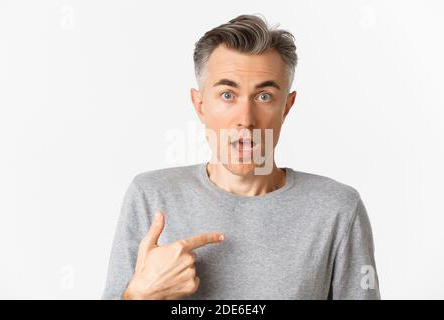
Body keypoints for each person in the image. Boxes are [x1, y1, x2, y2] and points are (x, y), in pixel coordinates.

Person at [102, 14, 380, 300]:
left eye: (264, 97)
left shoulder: (337, 209)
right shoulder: (150, 197)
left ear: (287, 106)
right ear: (200, 105)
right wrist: (139, 296)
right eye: (227, 95)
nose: (245, 120)